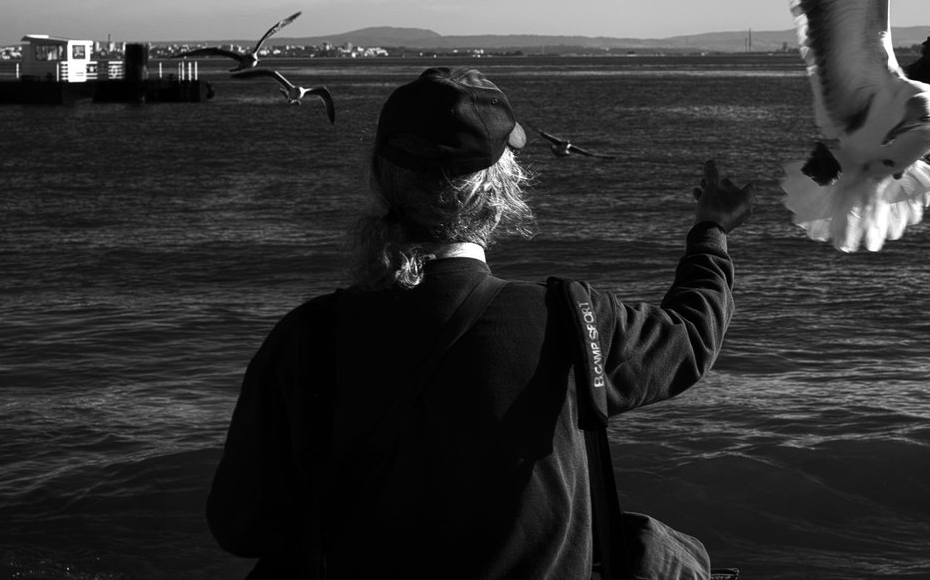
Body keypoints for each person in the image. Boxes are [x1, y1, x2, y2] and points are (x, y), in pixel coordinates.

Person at [206, 66, 755, 579]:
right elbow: (690, 334)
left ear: (379, 177)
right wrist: (711, 230)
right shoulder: (570, 321)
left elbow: (242, 526)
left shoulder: (308, 339)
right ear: (500, 193)